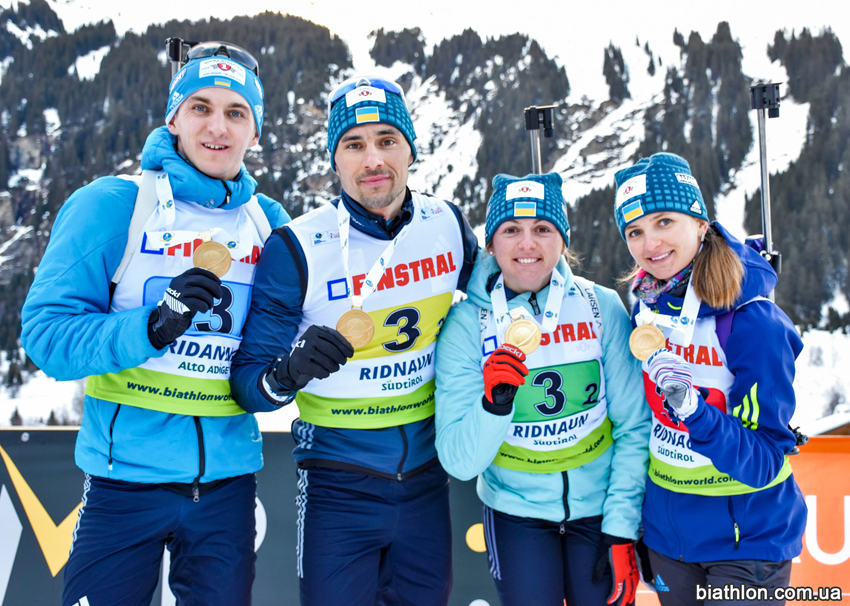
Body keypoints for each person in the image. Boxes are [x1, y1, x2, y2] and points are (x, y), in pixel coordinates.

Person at [21, 41, 290, 606]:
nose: (218, 126)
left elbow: (285, 337)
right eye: (200, 107)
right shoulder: (115, 204)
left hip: (226, 489)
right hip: (123, 483)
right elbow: (46, 336)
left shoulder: (270, 226)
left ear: (256, 131)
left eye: (236, 112)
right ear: (173, 116)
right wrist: (151, 325)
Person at [230, 75, 478, 605]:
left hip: (425, 483)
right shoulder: (296, 246)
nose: (373, 161)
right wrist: (289, 372)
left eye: (388, 140)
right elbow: (249, 385)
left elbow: (503, 302)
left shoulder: (448, 224)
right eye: (354, 144)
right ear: (335, 159)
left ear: (411, 148)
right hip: (336, 486)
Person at [434, 172, 650, 606]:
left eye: (543, 230)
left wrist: (622, 526)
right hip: (517, 517)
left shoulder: (600, 305)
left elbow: (634, 425)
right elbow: (459, 461)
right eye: (511, 230)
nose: (527, 245)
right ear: (491, 244)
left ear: (563, 240)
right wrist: (494, 406)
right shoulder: (465, 324)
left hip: (600, 513)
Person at [612, 152, 807, 605]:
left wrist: (695, 413)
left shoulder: (753, 321)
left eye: (664, 222)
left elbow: (763, 462)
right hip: (670, 539)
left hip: (746, 539)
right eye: (634, 231)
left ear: (700, 223)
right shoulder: (646, 300)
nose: (649, 244)